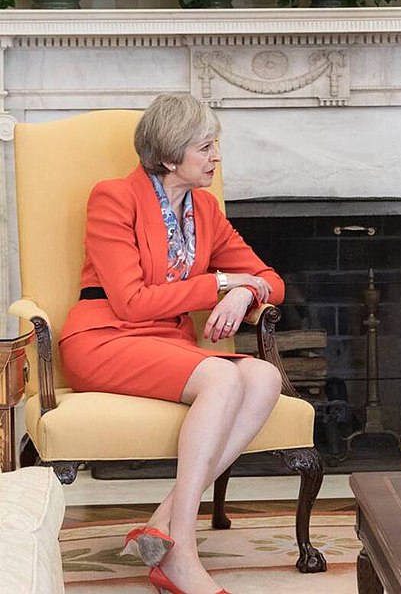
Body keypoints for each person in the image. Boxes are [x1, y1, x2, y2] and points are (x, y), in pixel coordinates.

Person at [59, 93, 285, 594]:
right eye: (205, 147)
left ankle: (160, 525)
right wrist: (222, 285)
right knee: (225, 373)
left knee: (266, 376)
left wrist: (247, 287)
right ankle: (179, 549)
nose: (216, 157)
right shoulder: (113, 197)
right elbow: (133, 302)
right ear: (168, 156)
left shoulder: (205, 209)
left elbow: (272, 279)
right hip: (102, 338)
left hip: (167, 342)